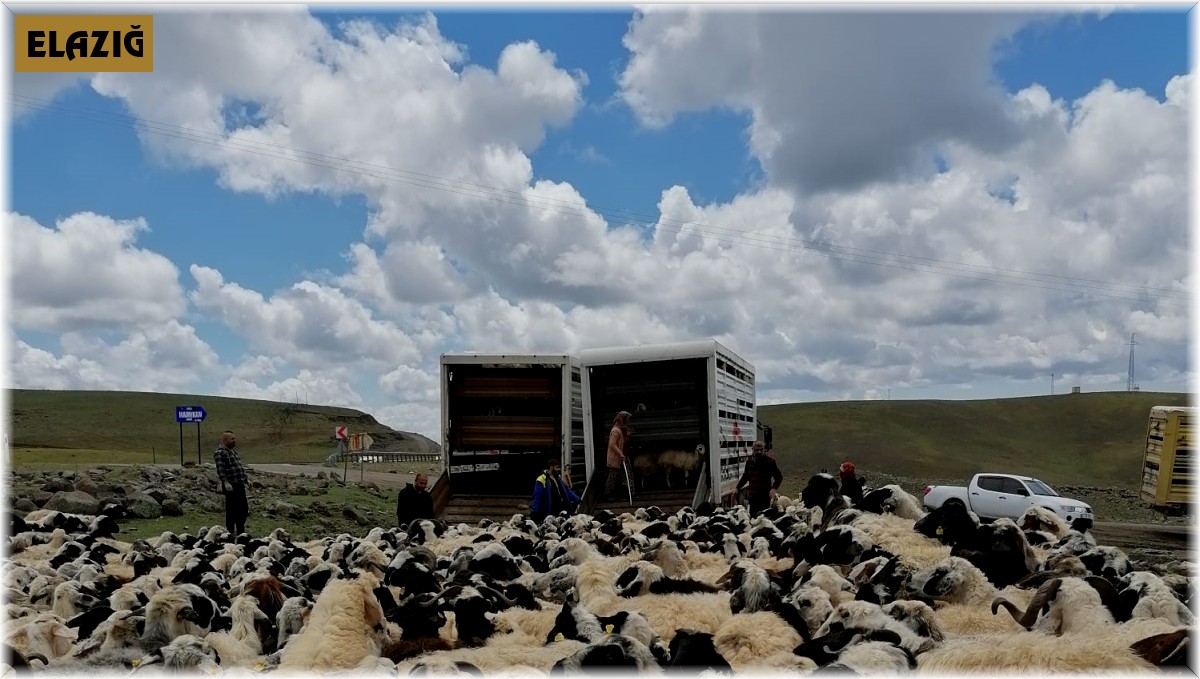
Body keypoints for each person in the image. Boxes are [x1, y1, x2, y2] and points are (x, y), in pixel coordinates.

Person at [213, 430, 249, 536]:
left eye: (234, 438)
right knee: (232, 509)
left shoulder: (233, 451)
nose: (234, 441)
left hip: (239, 484)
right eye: (232, 439)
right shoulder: (220, 452)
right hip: (231, 485)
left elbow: (238, 467)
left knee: (243, 508)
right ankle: (230, 531)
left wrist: (246, 480)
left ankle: (240, 529)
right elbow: (220, 469)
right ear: (225, 440)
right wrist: (225, 481)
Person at [736, 440, 784, 516]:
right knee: (753, 518)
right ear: (753, 449)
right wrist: (737, 488)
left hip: (764, 496)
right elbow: (745, 477)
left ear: (764, 449)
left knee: (764, 517)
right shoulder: (749, 462)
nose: (759, 452)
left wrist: (774, 488)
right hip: (753, 496)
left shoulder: (770, 462)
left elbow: (779, 476)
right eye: (757, 450)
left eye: (761, 449)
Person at [531, 458, 580, 523]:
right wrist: (535, 511)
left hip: (561, 508)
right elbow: (537, 496)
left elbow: (567, 490)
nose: (559, 469)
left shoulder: (558, 478)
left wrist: (577, 499)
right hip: (550, 510)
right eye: (557, 467)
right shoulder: (541, 479)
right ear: (551, 467)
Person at [605, 411, 632, 500]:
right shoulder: (616, 430)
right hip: (614, 458)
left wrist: (627, 436)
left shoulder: (619, 430)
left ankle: (621, 494)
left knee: (619, 476)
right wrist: (620, 454)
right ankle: (608, 495)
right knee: (612, 477)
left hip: (618, 458)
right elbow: (612, 444)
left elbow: (622, 442)